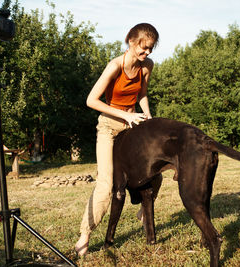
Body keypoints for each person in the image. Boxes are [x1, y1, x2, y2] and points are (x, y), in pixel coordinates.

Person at [75, 23, 162, 256]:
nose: (147, 54)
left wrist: (149, 118)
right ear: (131, 42)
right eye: (144, 49)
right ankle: (85, 234)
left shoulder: (147, 66)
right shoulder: (114, 66)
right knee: (106, 186)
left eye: (151, 49)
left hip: (132, 121)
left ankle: (144, 211)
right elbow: (91, 100)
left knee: (156, 169)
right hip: (109, 125)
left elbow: (141, 94)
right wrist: (124, 114)